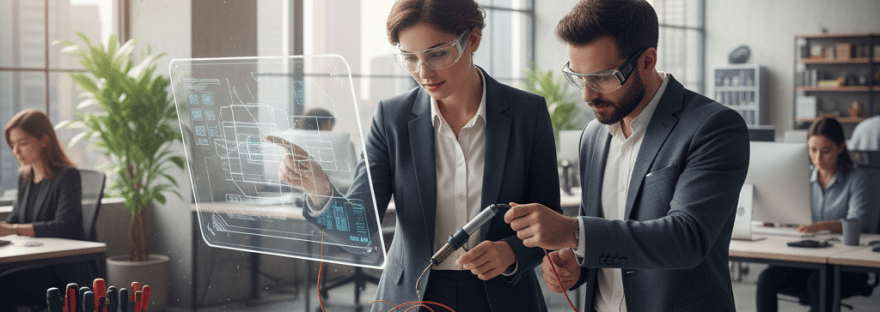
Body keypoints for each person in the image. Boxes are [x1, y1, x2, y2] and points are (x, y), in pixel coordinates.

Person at [267, 0, 560, 311]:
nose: (423, 72)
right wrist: (319, 189)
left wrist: (511, 252)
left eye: (437, 54)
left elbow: (550, 217)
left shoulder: (528, 113)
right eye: (409, 58)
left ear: (473, 39)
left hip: (504, 294)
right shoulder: (391, 118)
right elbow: (360, 229)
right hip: (413, 295)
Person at [502, 0, 750, 311]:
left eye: (602, 78)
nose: (587, 95)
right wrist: (577, 265)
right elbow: (599, 236)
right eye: (579, 77)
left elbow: (687, 238)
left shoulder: (713, 127)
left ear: (647, 60)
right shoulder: (593, 136)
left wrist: (572, 231)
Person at [755, 117, 876, 312]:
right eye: (812, 150)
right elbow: (790, 213)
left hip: (842, 265)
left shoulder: (856, 179)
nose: (818, 158)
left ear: (840, 147)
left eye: (825, 151)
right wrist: (775, 218)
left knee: (817, 282)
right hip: (808, 258)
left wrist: (819, 226)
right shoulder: (801, 176)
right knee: (766, 279)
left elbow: (857, 221)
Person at [0, 109, 86, 310]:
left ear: (44, 141)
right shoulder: (25, 177)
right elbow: (16, 217)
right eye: (12, 145)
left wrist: (13, 230)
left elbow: (64, 225)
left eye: (22, 143)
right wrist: (5, 228)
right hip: (33, 263)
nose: (16, 151)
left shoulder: (68, 176)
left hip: (60, 270)